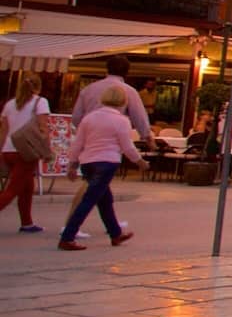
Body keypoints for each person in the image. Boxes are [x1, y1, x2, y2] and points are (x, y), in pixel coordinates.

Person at [58, 87, 147, 251]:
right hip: (107, 162)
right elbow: (126, 146)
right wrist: (139, 161)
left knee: (104, 199)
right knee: (89, 200)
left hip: (88, 162)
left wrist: (73, 163)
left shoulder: (89, 118)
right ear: (123, 101)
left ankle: (115, 233)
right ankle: (68, 236)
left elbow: (78, 142)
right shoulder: (121, 121)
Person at [0, 75, 50, 232]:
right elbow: (43, 128)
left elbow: (4, 131)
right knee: (12, 190)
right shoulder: (40, 102)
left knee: (27, 186)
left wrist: (1, 150)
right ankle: (26, 223)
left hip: (9, 148)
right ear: (38, 87)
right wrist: (47, 149)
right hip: (26, 150)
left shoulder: (9, 104)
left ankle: (27, 222)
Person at [73, 56, 154, 149]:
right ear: (127, 72)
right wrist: (148, 138)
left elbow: (76, 117)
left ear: (107, 69)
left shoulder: (88, 89)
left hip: (89, 139)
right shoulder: (130, 91)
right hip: (112, 143)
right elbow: (139, 118)